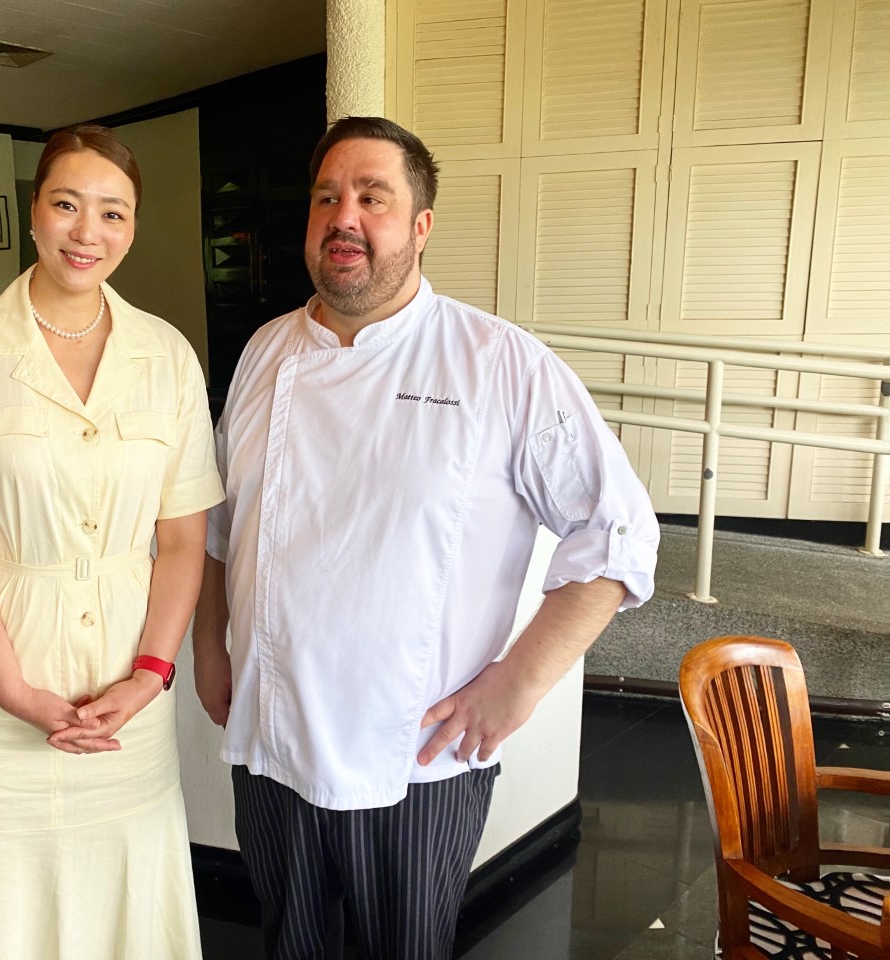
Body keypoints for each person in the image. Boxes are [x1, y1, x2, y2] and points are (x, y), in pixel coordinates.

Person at [193, 116, 660, 960]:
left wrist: (517, 683)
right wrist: (209, 646)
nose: (345, 217)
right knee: (285, 946)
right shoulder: (265, 352)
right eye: (328, 197)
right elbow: (220, 526)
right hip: (271, 737)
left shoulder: (500, 363)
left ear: (419, 227)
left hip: (414, 754)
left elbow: (618, 532)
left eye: (373, 197)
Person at [0, 124, 224, 960]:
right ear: (33, 213)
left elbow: (183, 542)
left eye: (113, 212)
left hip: (127, 694)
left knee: (127, 899)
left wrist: (151, 675)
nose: (89, 231)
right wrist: (14, 691)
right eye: (68, 204)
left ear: (133, 227)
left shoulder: (168, 357)